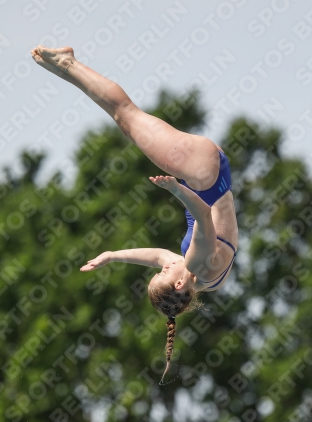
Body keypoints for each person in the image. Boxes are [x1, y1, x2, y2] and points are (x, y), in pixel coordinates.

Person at [31, 46, 238, 383]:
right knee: (126, 114)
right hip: (201, 176)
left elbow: (156, 255)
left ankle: (69, 70)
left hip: (211, 174)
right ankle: (68, 63)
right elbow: (202, 217)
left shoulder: (202, 279)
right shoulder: (200, 262)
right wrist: (175, 189)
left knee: (126, 122)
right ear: (182, 283)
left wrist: (113, 256)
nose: (166, 265)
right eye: (166, 273)